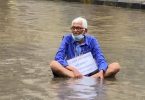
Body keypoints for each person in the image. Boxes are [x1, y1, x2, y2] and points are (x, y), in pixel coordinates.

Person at [50, 17, 120, 80]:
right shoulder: (67, 39)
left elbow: (100, 58)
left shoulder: (92, 40)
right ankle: (87, 79)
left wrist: (101, 71)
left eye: (78, 28)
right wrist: (73, 69)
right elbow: (58, 57)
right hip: (72, 71)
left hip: (90, 72)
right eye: (73, 28)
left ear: (85, 31)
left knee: (115, 66)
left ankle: (84, 78)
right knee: (54, 64)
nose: (75, 30)